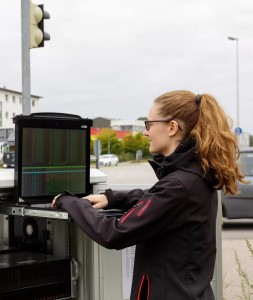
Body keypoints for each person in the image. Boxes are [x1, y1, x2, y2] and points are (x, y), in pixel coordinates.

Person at [52, 90, 245, 300]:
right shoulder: (193, 176)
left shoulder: (179, 185)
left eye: (149, 124)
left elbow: (114, 233)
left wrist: (69, 202)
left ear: (172, 127)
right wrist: (112, 198)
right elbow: (154, 198)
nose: (146, 132)